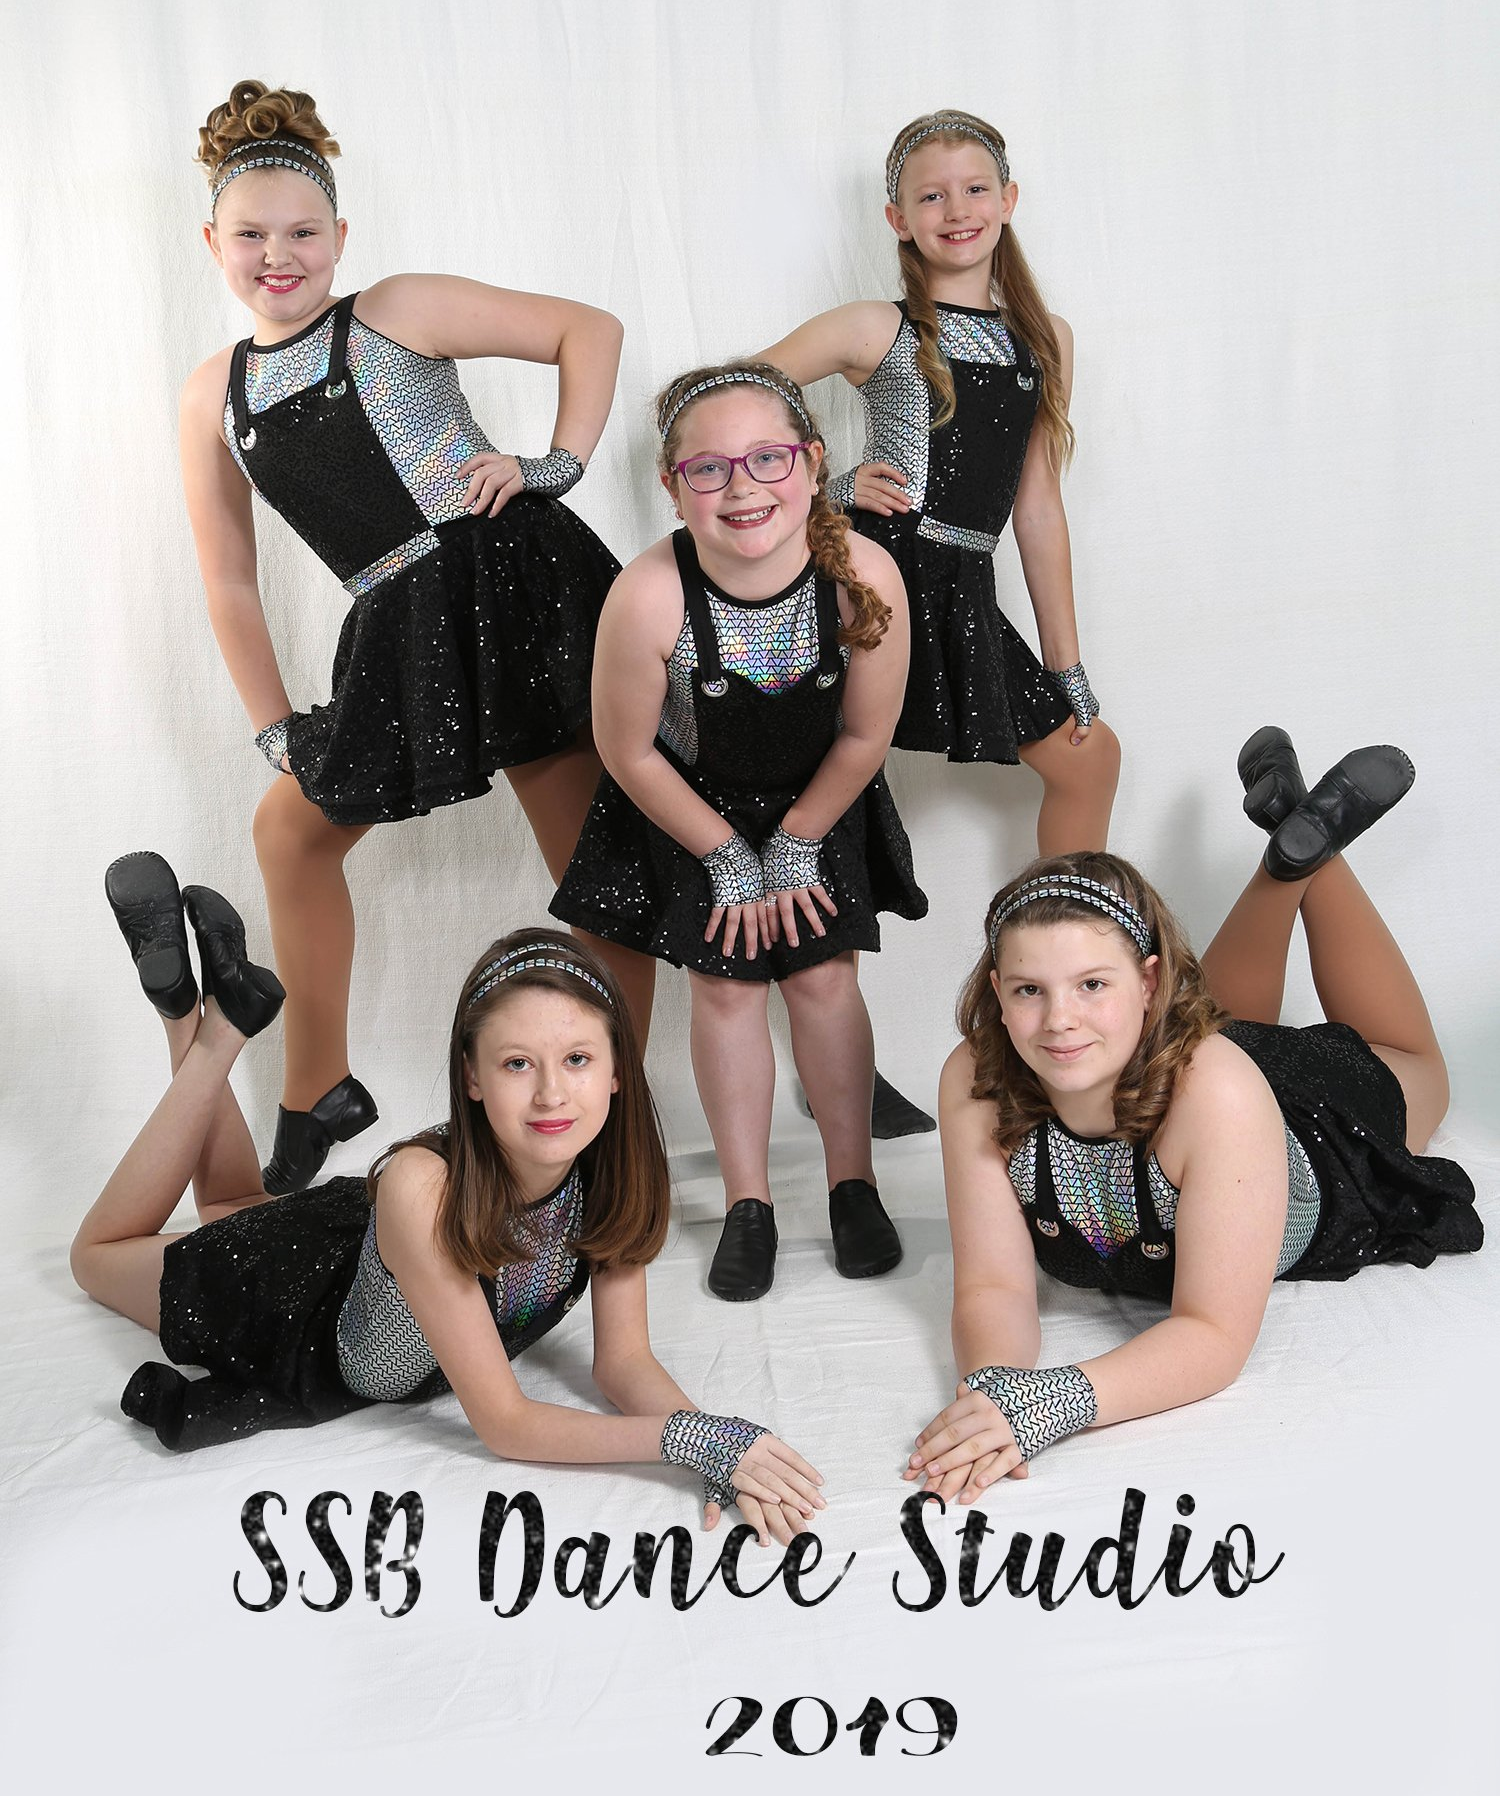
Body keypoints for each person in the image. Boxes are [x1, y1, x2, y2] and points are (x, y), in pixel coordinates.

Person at [180, 80, 650, 1198]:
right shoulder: (213, 393)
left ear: (342, 237)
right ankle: (317, 1085)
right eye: (251, 235)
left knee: (588, 868)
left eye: (304, 233)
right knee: (290, 831)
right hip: (399, 624)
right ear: (212, 242)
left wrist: (555, 464)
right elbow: (228, 578)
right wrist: (272, 726)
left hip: (507, 584)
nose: (278, 254)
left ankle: (622, 1122)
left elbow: (588, 328)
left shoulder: (395, 307)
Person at [72, 853, 820, 1545]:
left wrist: (715, 1445)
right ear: (472, 1077)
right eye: (518, 1063)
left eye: (579, 1059)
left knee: (231, 1201)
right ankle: (203, 1032)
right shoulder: (423, 1192)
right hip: (281, 1307)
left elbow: (623, 1363)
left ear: (618, 1070)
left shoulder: (609, 1167)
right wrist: (688, 1440)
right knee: (97, 1256)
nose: (554, 1093)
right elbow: (505, 1423)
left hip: (351, 1251)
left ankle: (206, 1011)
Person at [908, 729, 1482, 1498]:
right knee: (1216, 1025)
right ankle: (1292, 845)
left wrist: (1056, 1403)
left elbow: (1213, 1335)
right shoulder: (974, 1076)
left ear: (1148, 983)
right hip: (1191, 1066)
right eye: (1028, 990)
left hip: (1309, 1125)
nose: (1058, 1021)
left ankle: (1316, 856)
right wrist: (992, 1398)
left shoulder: (1215, 1088)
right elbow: (992, 1290)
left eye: (1091, 985)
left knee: (1414, 1065)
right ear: (997, 993)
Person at [551, 361, 926, 1301]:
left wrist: (797, 842)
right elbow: (625, 748)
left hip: (820, 796)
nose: (744, 487)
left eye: (767, 458)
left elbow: (866, 733)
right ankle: (749, 1204)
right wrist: (725, 855)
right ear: (674, 486)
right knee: (723, 990)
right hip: (688, 806)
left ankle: (853, 1184)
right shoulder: (647, 593)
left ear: (811, 462)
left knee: (823, 976)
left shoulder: (863, 575)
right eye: (710, 470)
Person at [760, 108, 1121, 856]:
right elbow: (719, 402)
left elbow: (1040, 509)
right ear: (897, 218)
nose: (957, 212)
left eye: (975, 190)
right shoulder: (874, 326)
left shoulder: (1047, 340)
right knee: (808, 769)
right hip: (874, 571)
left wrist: (1068, 665)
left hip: (962, 586)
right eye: (931, 197)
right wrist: (827, 487)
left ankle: (1065, 944)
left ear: (1008, 201)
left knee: (1091, 760)